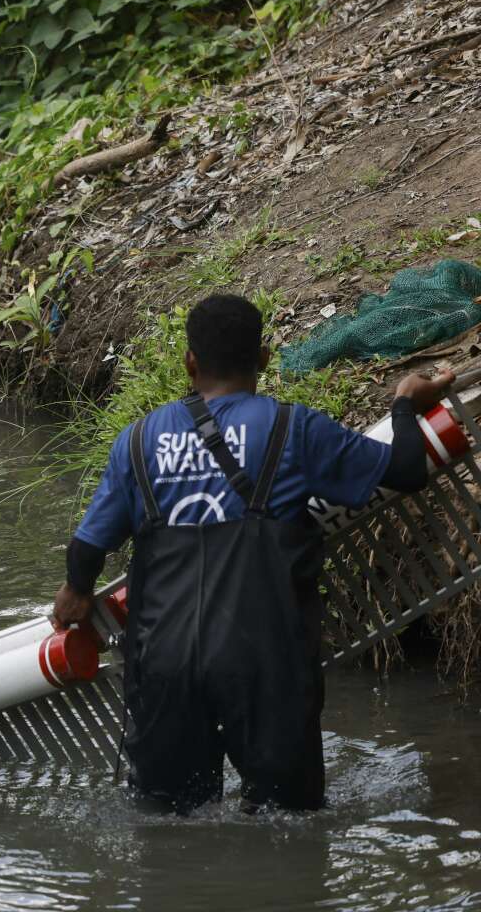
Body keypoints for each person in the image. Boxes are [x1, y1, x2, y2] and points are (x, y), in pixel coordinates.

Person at [50, 294, 453, 813]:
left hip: (164, 664)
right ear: (263, 359)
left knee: (167, 823)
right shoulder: (295, 429)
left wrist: (76, 593)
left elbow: (86, 549)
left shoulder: (138, 441)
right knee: (288, 820)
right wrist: (403, 402)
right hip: (265, 664)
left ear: (189, 363)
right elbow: (405, 471)